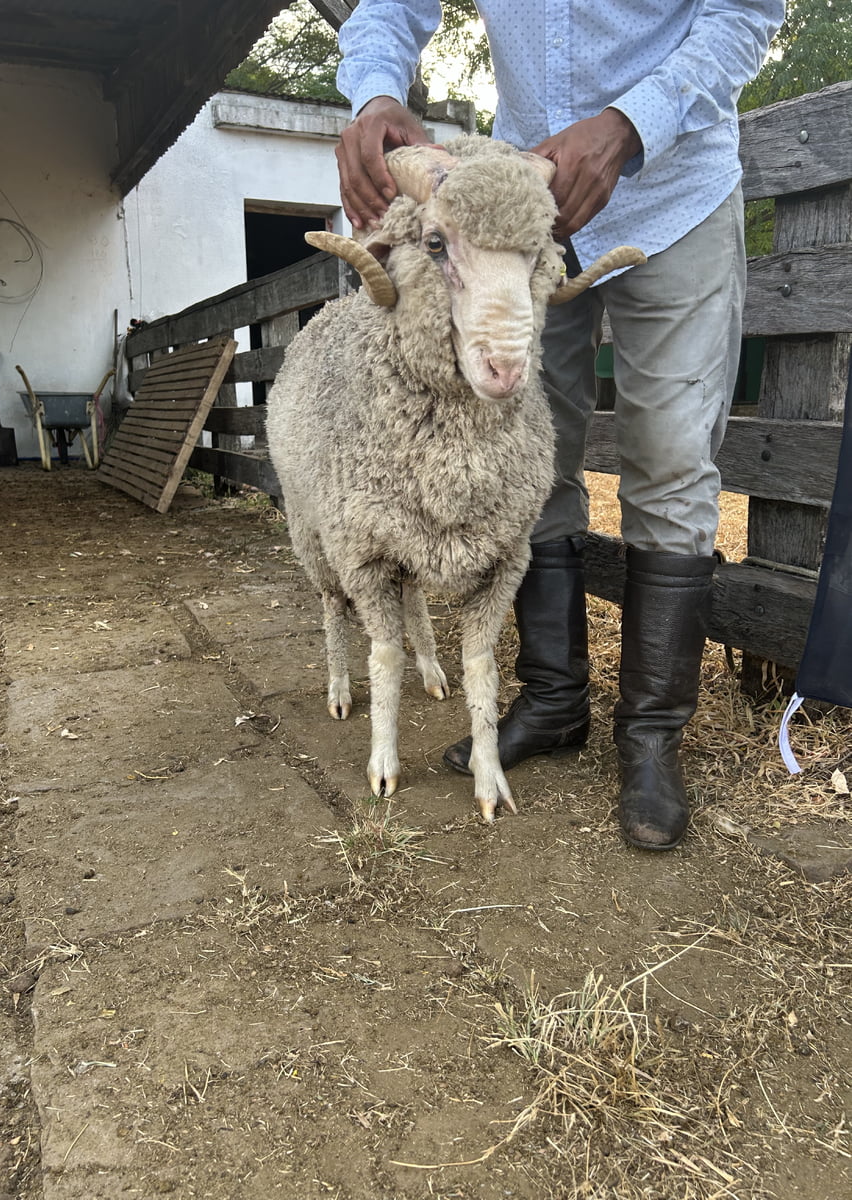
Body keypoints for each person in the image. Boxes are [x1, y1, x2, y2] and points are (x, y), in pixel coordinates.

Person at [333, 1, 785, 850]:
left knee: (672, 461)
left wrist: (629, 124)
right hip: (520, 208)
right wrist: (373, 93)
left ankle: (650, 735)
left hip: (674, 193)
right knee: (524, 456)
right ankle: (552, 698)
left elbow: (746, 11)